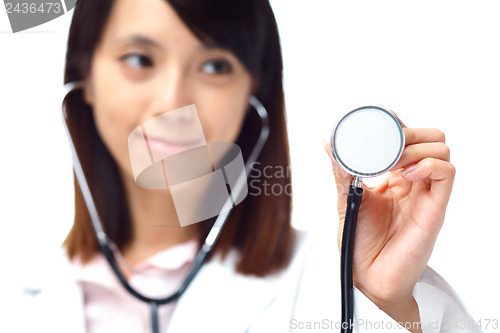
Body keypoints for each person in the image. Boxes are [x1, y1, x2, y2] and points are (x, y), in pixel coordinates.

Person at [3, 0, 481, 332]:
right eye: (138, 58)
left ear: (253, 94)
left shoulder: (333, 285)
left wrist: (381, 306)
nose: (173, 102)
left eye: (214, 66)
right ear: (84, 80)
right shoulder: (14, 300)